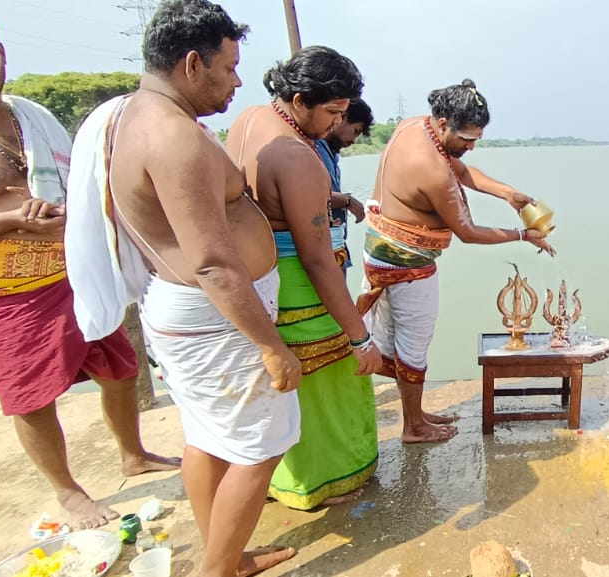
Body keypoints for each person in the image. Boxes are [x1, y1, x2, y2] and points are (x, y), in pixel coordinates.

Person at [65, 1, 300, 574]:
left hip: (188, 316)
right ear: (193, 64)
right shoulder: (174, 138)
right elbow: (214, 264)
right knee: (260, 448)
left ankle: (226, 554)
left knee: (210, 438)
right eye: (230, 65)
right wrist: (271, 345)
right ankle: (218, 570)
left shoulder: (132, 119)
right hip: (215, 319)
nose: (237, 79)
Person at [0, 6, 176, 530]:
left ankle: (132, 453)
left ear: (2, 56)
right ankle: (68, 492)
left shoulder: (33, 119)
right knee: (30, 397)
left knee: (121, 369)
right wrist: (1, 223)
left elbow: (78, 191)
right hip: (0, 292)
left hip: (68, 272)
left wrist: (63, 216)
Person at [224, 46, 382, 510]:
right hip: (301, 285)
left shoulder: (249, 120)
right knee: (331, 383)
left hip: (262, 278)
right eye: (331, 113)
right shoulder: (296, 157)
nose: (336, 124)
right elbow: (318, 262)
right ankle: (326, 481)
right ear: (298, 101)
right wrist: (359, 337)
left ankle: (284, 481)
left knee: (284, 391)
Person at [357, 79, 555, 444]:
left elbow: (459, 169)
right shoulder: (430, 167)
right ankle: (414, 427)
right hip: (406, 264)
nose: (471, 146)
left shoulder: (415, 127)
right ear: (444, 122)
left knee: (402, 342)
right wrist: (523, 235)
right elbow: (467, 231)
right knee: (414, 346)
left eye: (477, 138)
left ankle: (415, 413)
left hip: (381, 250)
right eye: (466, 139)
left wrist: (506, 193)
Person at [318, 97, 372, 276]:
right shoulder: (314, 148)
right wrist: (347, 201)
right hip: (322, 251)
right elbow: (309, 196)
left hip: (335, 245)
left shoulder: (330, 152)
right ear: (342, 117)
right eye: (355, 131)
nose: (354, 140)